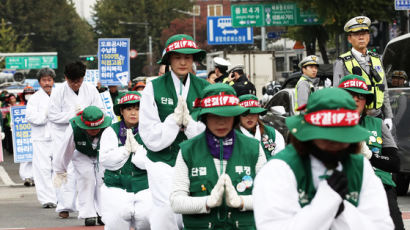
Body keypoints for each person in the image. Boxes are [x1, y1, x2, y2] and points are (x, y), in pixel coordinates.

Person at [253, 88, 394, 229]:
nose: (335, 142)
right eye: (326, 135)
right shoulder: (279, 169)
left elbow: (381, 225)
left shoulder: (360, 167)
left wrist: (342, 210)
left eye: (343, 134)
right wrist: (326, 202)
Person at [170, 83, 267, 229]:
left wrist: (241, 201)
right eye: (214, 115)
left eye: (227, 115)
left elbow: (269, 197)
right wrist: (207, 202)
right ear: (204, 117)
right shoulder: (188, 150)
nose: (221, 122)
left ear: (235, 117)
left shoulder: (253, 147)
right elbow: (176, 202)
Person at [139, 34, 209, 230]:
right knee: (166, 211)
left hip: (195, 158)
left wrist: (190, 125)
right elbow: (149, 134)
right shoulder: (152, 87)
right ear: (169, 59)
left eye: (188, 57)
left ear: (194, 59)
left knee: (196, 210)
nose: (183, 62)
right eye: (177, 57)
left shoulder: (205, 88)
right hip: (162, 159)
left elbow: (210, 130)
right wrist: (173, 122)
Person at [338, 74, 404, 229]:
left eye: (360, 96)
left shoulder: (377, 124)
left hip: (380, 185)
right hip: (342, 185)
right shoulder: (328, 124)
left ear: (366, 101)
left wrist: (369, 155)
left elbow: (395, 164)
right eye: (350, 94)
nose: (355, 100)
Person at [48, 61, 104, 218]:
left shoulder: (91, 90)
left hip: (87, 134)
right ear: (66, 78)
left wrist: (87, 117)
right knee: (65, 169)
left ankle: (93, 208)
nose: (75, 85)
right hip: (63, 133)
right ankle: (64, 205)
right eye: (72, 81)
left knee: (89, 175)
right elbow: (52, 115)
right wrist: (73, 116)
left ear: (83, 78)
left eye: (79, 81)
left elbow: (101, 111)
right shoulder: (58, 92)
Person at [100, 91, 152, 230]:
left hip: (144, 185)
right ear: (121, 111)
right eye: (129, 109)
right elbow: (105, 160)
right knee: (116, 218)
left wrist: (137, 151)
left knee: (147, 218)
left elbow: (150, 162)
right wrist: (125, 150)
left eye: (137, 108)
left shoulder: (149, 130)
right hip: (116, 185)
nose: (133, 113)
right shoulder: (110, 131)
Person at [53, 106, 111, 226]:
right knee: (86, 179)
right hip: (81, 153)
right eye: (90, 128)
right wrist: (60, 170)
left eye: (97, 128)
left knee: (103, 181)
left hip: (103, 153)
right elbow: (64, 150)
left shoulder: (109, 126)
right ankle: (88, 214)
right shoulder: (74, 128)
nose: (94, 131)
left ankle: (103, 213)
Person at [333, 16, 393, 130]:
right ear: (349, 38)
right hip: (355, 119)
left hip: (378, 117)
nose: (361, 37)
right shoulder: (342, 62)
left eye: (364, 33)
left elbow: (383, 89)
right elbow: (337, 93)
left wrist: (388, 116)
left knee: (390, 147)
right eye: (356, 34)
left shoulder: (377, 59)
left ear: (369, 36)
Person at [26, 68, 57, 207]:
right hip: (41, 139)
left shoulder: (59, 95)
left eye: (49, 80)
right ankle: (47, 199)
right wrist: (46, 115)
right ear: (39, 82)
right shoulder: (34, 98)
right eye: (44, 80)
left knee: (59, 168)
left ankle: (59, 197)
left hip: (57, 138)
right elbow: (31, 117)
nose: (47, 83)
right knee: (42, 169)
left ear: (53, 81)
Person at [238, 94, 285, 159]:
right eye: (245, 113)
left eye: (253, 113)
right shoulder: (232, 136)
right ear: (238, 115)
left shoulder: (273, 134)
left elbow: (280, 161)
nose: (250, 117)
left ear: (258, 114)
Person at [18, 86, 36, 186]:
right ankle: (26, 177)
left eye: (31, 93)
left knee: (35, 157)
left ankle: (34, 177)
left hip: (35, 134)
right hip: (23, 135)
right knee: (24, 157)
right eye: (27, 94)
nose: (28, 96)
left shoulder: (37, 105)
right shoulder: (19, 106)